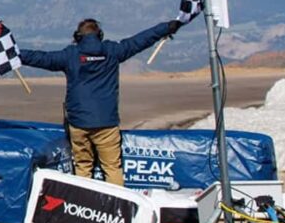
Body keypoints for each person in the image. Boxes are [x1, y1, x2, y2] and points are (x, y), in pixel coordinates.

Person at [20, 18, 181, 186]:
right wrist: (166, 28)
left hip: (78, 123)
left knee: (83, 167)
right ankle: (117, 207)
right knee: (112, 168)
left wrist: (12, 53)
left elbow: (39, 58)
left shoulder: (70, 55)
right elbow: (141, 40)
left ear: (77, 36)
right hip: (106, 123)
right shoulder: (113, 51)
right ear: (100, 35)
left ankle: (84, 205)